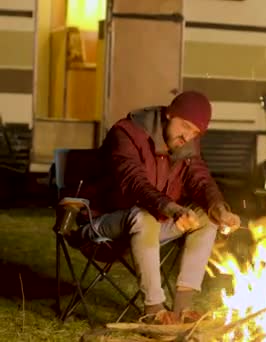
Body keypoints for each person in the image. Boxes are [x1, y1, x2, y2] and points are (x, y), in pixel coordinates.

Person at [80, 91, 241, 324]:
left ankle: (183, 309)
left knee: (207, 218)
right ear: (169, 114)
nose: (188, 137)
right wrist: (172, 209)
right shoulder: (126, 133)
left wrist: (219, 209)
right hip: (102, 223)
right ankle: (154, 310)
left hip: (152, 227)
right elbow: (134, 182)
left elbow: (201, 180)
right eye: (185, 126)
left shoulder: (186, 146)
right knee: (143, 217)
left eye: (195, 132)